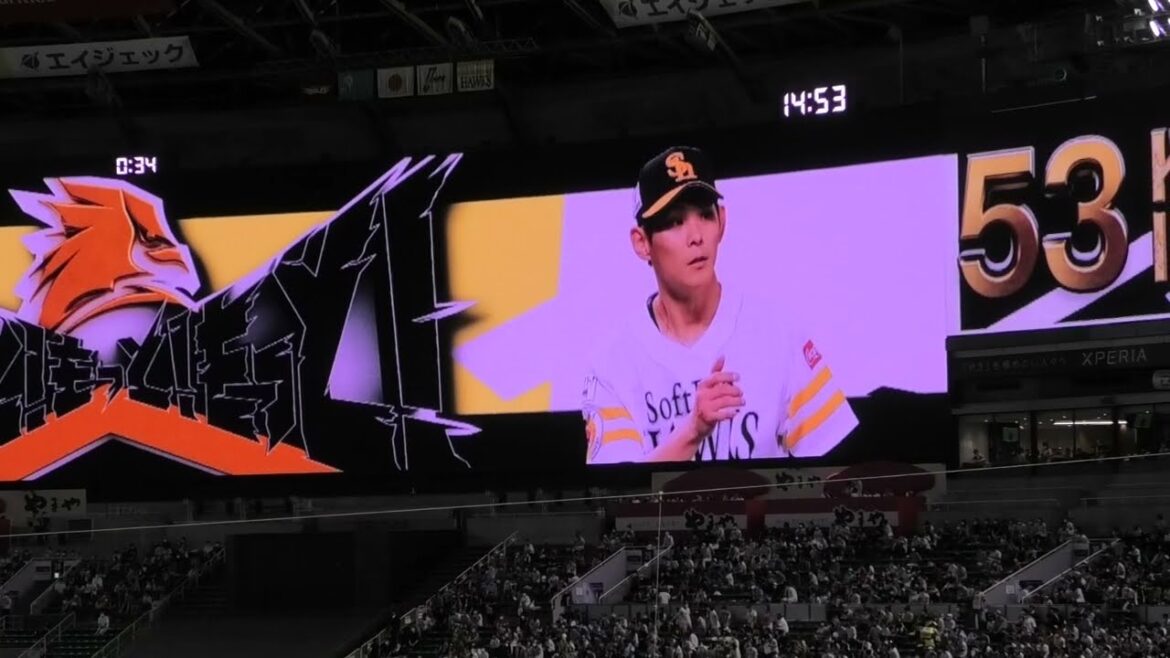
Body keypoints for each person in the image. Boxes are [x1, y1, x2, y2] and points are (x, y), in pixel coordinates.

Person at [583, 146, 858, 464]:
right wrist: (693, 430)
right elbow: (619, 490)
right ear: (642, 243)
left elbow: (834, 469)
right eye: (674, 222)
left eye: (705, 215)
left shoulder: (778, 333)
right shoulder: (612, 363)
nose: (696, 236)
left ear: (722, 221)